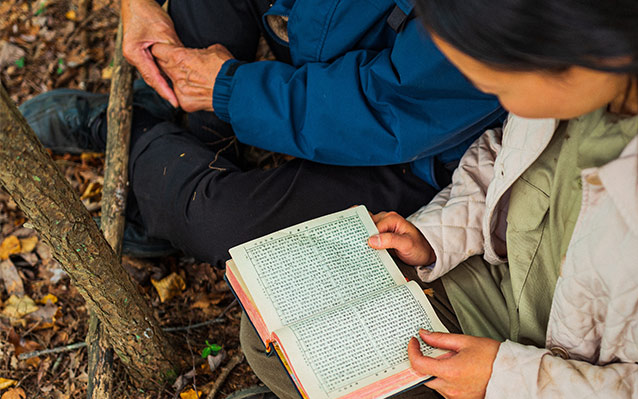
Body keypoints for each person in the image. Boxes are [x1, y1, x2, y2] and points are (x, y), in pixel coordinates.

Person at [233, 0, 638, 399]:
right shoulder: (583, 52)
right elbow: (503, 153)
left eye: (495, 84)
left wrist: (510, 386)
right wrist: (435, 235)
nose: (486, 94)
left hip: (587, 384)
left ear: (589, 51)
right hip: (498, 294)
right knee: (273, 335)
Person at [20, 0, 504, 264]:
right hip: (316, 37)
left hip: (416, 150)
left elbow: (396, 106)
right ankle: (174, 124)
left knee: (219, 224)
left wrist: (231, 89)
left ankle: (136, 135)